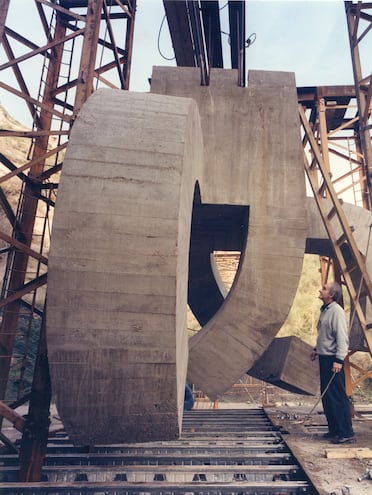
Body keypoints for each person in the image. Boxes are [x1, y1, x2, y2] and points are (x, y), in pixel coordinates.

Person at [310, 281, 355, 444]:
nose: (320, 290)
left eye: (324, 289)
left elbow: (342, 338)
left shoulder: (336, 311)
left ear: (331, 295)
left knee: (337, 396)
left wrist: (338, 360)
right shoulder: (325, 310)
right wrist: (316, 349)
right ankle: (334, 429)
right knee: (327, 396)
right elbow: (325, 335)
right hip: (324, 358)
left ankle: (346, 432)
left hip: (332, 360)